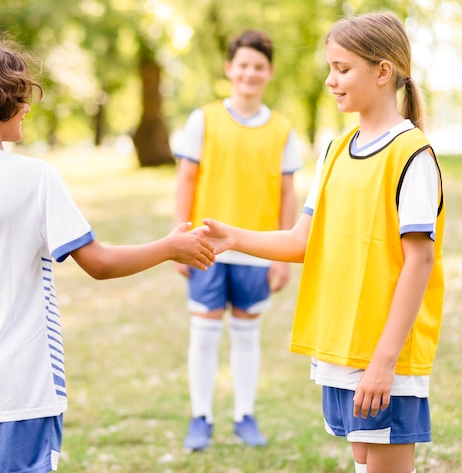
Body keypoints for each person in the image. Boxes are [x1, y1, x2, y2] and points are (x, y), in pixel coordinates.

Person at [0, 36, 215, 473]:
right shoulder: (35, 177)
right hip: (24, 387)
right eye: (19, 95)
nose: (27, 105)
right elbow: (100, 263)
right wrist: (169, 248)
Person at [197, 12, 445, 473]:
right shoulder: (335, 149)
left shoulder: (412, 155)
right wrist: (233, 237)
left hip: (383, 354)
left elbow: (420, 263)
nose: (331, 80)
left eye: (342, 68)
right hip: (340, 345)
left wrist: (384, 362)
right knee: (362, 463)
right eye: (329, 67)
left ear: (383, 71)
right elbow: (302, 241)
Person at [173, 29, 301, 450]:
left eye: (258, 67)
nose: (249, 73)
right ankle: (201, 418)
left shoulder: (282, 129)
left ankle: (245, 416)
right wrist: (179, 239)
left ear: (270, 73)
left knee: (247, 335)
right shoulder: (203, 119)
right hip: (206, 246)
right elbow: (186, 181)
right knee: (204, 333)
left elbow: (287, 194)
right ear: (230, 69)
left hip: (256, 250)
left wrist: (282, 256)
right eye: (243, 65)